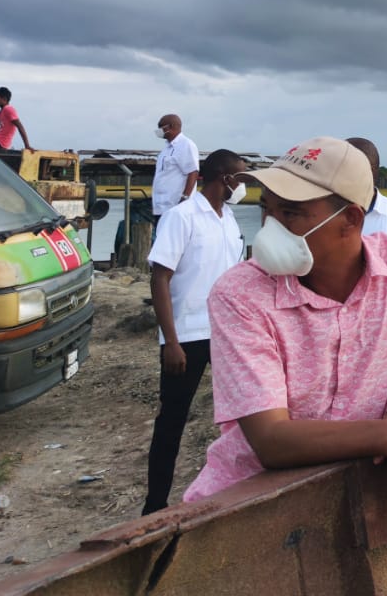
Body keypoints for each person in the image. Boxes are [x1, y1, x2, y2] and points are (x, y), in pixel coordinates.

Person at [182, 136, 387, 518]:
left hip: (353, 493)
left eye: (290, 214)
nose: (270, 227)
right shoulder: (239, 294)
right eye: (266, 209)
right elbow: (271, 440)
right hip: (251, 500)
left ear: (351, 220)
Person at [142, 148, 248, 514]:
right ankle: (154, 505)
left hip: (225, 333)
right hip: (186, 337)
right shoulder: (181, 217)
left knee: (238, 419)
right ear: (225, 179)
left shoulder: (229, 218)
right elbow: (160, 277)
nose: (244, 186)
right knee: (172, 421)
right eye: (241, 179)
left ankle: (235, 494)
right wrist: (170, 341)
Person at [152, 114, 200, 221]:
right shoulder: (166, 149)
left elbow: (193, 172)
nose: (159, 130)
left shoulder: (186, 145)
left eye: (161, 127)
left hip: (176, 207)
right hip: (162, 206)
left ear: (171, 126)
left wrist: (185, 197)